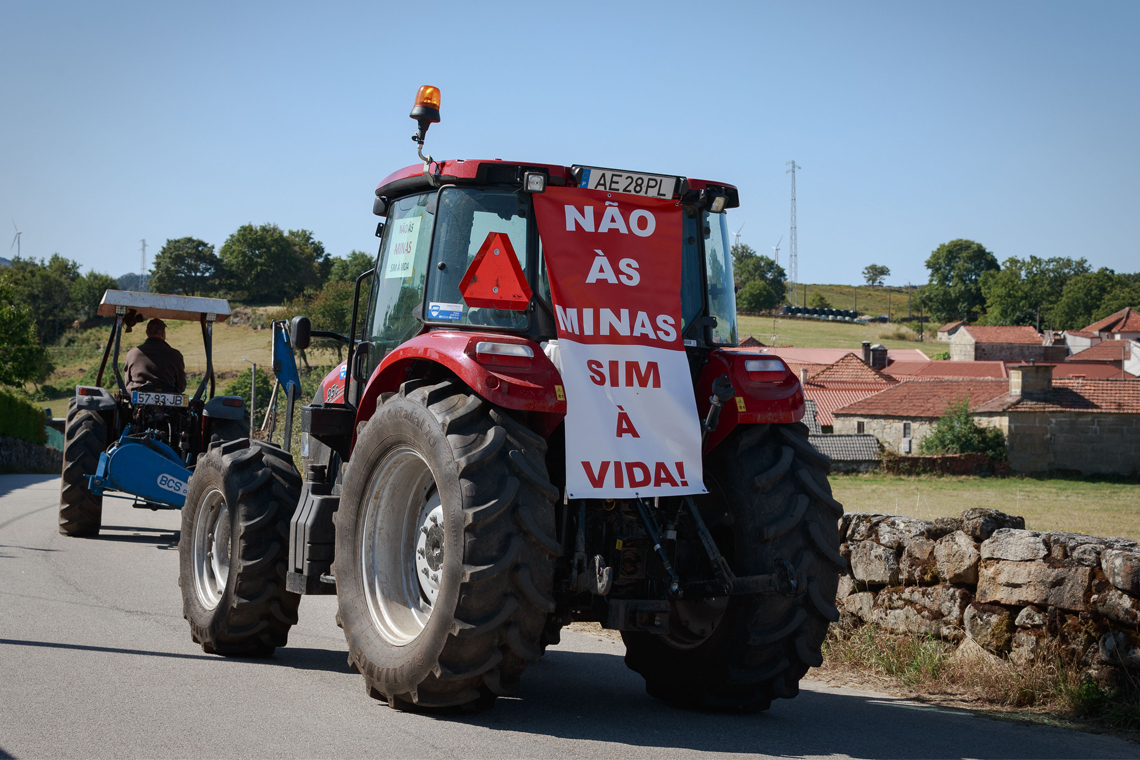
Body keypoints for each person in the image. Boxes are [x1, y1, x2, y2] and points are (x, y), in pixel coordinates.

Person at [124, 318, 186, 393]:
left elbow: (127, 383)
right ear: (163, 334)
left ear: (147, 333)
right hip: (167, 398)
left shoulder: (132, 353)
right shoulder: (175, 355)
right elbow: (181, 386)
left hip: (137, 397)